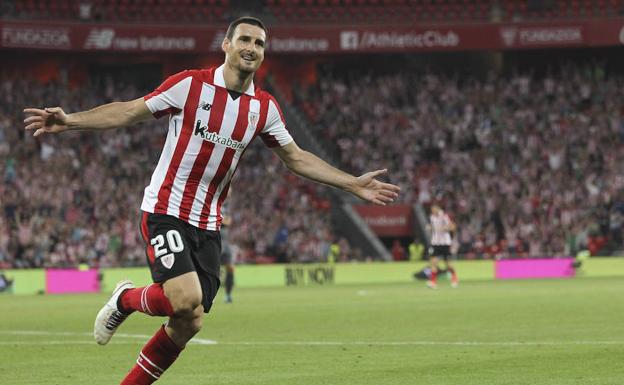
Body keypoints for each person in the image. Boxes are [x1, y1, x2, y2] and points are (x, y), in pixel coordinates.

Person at [23, 16, 400, 385]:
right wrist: (70, 121)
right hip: (165, 210)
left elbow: (296, 157)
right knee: (185, 299)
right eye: (245, 40)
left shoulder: (263, 109)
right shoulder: (190, 85)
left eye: (259, 44)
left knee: (189, 321)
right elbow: (130, 110)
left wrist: (352, 184)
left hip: (208, 223)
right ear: (227, 44)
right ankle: (125, 300)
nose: (252, 48)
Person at [426, 204, 458, 289]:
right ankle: (433, 282)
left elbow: (453, 227)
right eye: (432, 210)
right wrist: (430, 227)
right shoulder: (432, 217)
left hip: (445, 243)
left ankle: (454, 279)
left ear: (437, 209)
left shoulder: (444, 216)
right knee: (433, 262)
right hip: (435, 242)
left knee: (448, 263)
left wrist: (445, 228)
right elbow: (433, 227)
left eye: (433, 209)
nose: (432, 211)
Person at [219, 203, 234, 303]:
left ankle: (228, 295)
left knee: (230, 268)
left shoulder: (226, 207)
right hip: (215, 241)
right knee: (212, 269)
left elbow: (228, 221)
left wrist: (220, 220)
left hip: (225, 243)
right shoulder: (212, 202)